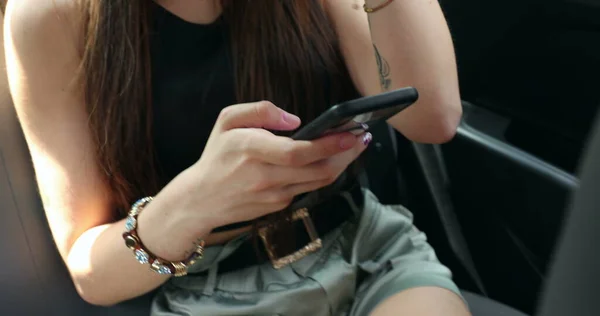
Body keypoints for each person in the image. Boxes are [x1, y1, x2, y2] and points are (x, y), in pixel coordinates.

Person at [5, 0, 468, 315]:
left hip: (366, 250)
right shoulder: (54, 14)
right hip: (211, 293)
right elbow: (92, 275)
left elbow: (433, 119)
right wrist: (198, 200)